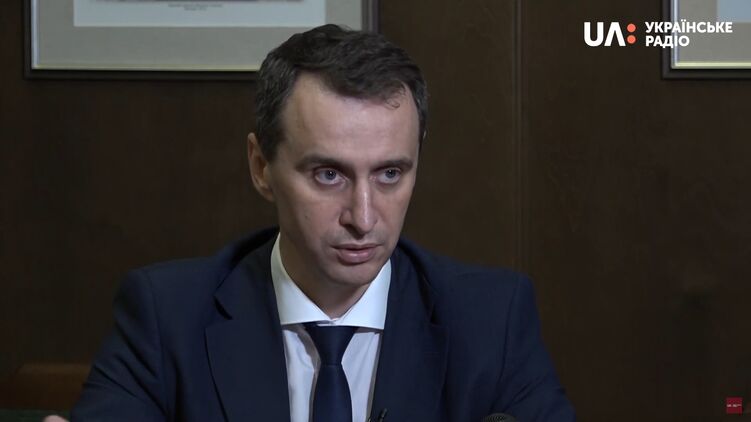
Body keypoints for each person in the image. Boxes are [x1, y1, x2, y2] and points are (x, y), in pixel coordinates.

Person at [52, 24, 575, 421]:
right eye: (329, 175)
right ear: (261, 167)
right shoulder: (167, 317)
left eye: (390, 174)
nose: (363, 217)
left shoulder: (491, 322)